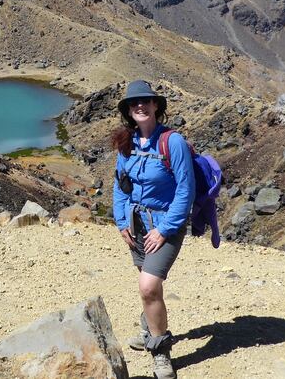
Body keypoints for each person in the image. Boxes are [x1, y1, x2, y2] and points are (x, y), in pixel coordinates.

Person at [111, 79, 195, 379]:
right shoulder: (126, 142)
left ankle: (160, 352)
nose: (140, 106)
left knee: (148, 286)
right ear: (128, 110)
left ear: (157, 106)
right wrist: (121, 222)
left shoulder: (173, 142)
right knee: (150, 286)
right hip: (136, 224)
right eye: (134, 103)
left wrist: (164, 229)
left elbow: (186, 190)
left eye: (146, 101)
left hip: (166, 225)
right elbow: (121, 186)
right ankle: (149, 327)